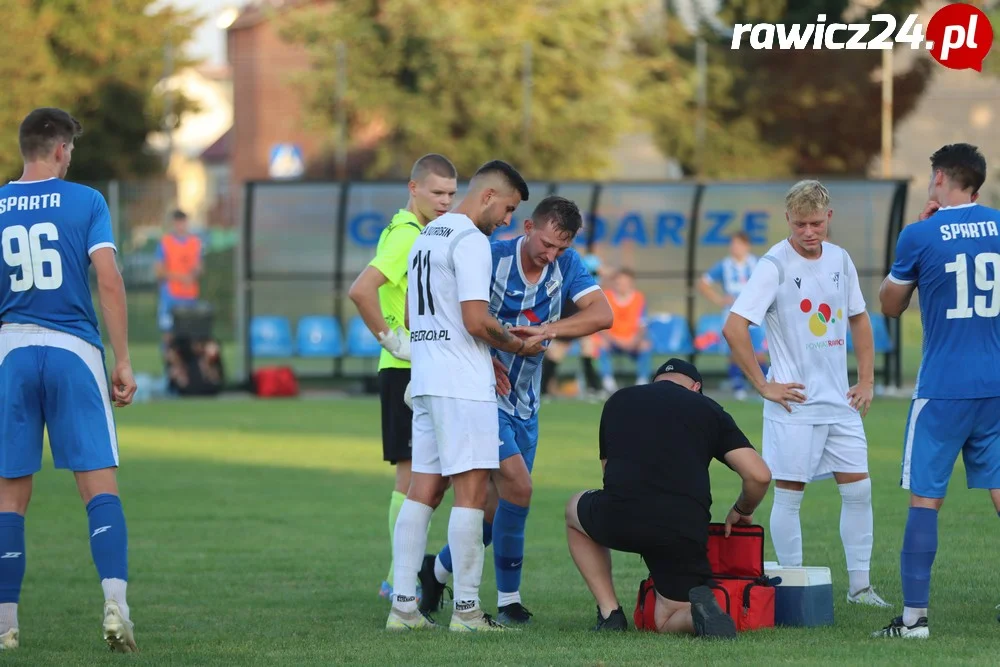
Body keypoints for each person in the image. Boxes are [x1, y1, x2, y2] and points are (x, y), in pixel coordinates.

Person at [419, 196, 613, 625]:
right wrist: (487, 354)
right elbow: (456, 314)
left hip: (525, 402)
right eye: (545, 244)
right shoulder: (490, 256)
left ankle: (434, 573)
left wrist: (549, 328)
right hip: (483, 395)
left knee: (493, 512)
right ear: (527, 226)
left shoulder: (566, 264)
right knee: (520, 489)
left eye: (560, 248)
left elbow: (603, 314)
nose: (551, 255)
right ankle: (509, 602)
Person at [386, 160, 551, 632]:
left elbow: (420, 321)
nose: (506, 220)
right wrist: (518, 345)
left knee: (422, 492)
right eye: (508, 208)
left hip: (427, 378)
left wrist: (481, 351)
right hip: (462, 386)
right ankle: (467, 612)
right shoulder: (471, 241)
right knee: (473, 492)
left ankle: (403, 607)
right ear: (488, 196)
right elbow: (478, 320)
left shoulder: (428, 236)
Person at [0, 108, 138, 651]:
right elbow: (108, 277)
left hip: (10, 352)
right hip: (73, 351)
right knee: (98, 490)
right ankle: (115, 604)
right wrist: (122, 358)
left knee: (10, 499)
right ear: (60, 150)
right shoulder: (86, 201)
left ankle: (6, 623)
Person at [723, 180, 890, 608]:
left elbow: (859, 318)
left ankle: (860, 589)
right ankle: (793, 588)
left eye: (816, 223)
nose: (809, 232)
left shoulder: (840, 258)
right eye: (800, 224)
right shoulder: (773, 266)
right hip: (793, 404)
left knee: (859, 492)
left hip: (840, 403)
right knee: (790, 496)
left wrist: (866, 379)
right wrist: (763, 384)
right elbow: (734, 326)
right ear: (788, 221)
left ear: (828, 218)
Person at [873, 143, 998, 639]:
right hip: (996, 386)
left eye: (931, 177)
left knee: (926, 501)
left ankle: (914, 621)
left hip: (944, 387)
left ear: (942, 177)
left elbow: (890, 304)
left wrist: (922, 229)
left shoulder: (921, 233)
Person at [565, 359, 771, 636]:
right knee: (667, 617)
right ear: (696, 387)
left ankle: (609, 612)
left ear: (655, 382)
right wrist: (742, 508)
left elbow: (608, 472)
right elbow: (759, 475)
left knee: (573, 510)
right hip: (684, 527)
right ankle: (694, 615)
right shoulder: (708, 408)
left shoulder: (619, 400)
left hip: (624, 514)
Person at [347, 153, 458, 600]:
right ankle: (399, 578)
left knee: (425, 480)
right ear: (414, 189)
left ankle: (400, 576)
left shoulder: (416, 230)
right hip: (404, 370)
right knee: (414, 481)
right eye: (437, 192)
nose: (445, 201)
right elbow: (361, 289)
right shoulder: (408, 235)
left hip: (416, 369)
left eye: (451, 193)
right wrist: (392, 341)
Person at [699, 231, 766, 400]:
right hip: (731, 314)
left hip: (755, 315)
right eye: (733, 244)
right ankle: (738, 387)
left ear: (747, 246)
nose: (735, 248)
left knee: (758, 352)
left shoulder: (757, 263)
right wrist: (720, 299)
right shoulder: (724, 265)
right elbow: (703, 283)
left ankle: (765, 385)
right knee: (735, 351)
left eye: (739, 244)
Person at [154, 209, 202, 352]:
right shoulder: (165, 242)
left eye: (183, 222)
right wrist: (180, 277)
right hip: (170, 295)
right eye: (178, 222)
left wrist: (192, 275)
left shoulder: (195, 242)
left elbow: (199, 266)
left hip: (189, 295)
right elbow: (159, 270)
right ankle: (169, 369)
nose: (181, 226)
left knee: (190, 335)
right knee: (168, 333)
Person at [598, 268, 653, 391]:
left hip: (632, 340)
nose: (621, 286)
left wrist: (634, 340)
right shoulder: (607, 297)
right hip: (613, 340)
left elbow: (642, 325)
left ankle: (642, 381)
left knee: (645, 345)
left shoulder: (639, 298)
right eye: (619, 282)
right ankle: (607, 382)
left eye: (625, 282)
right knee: (601, 344)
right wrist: (616, 340)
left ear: (631, 283)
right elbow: (601, 326)